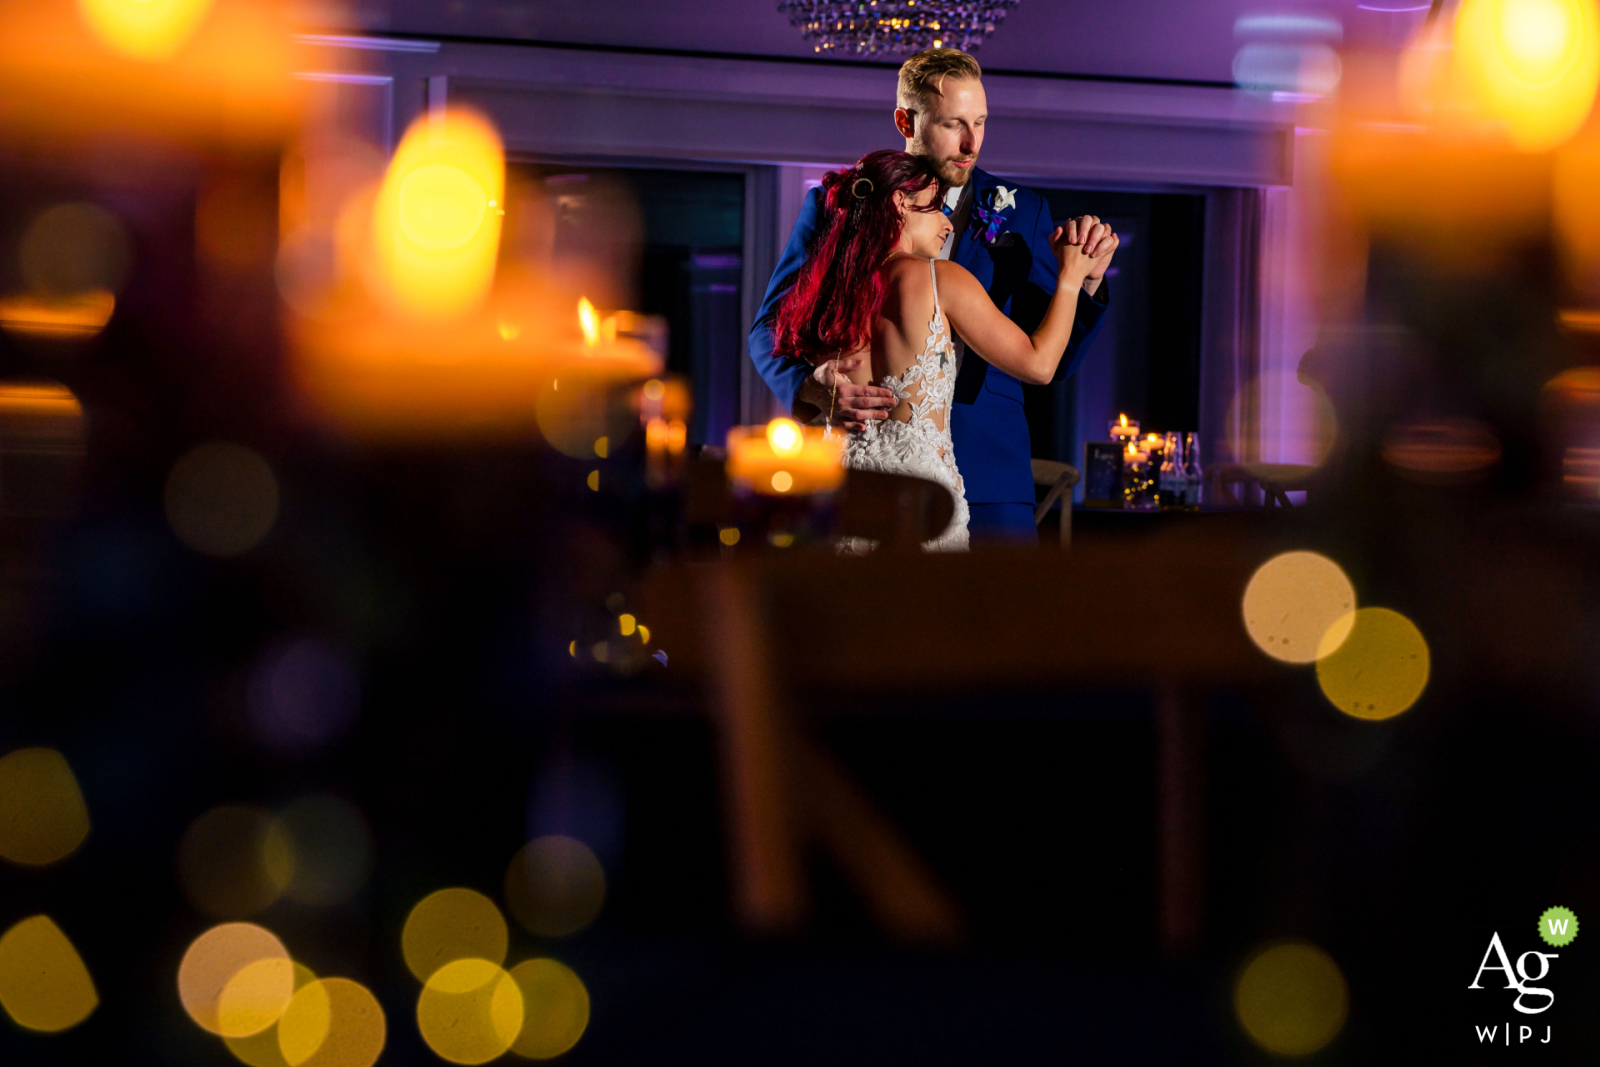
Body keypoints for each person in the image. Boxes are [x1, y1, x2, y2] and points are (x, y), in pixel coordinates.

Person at [749, 47, 1119, 542]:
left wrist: (1086, 281)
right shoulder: (839, 204)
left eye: (981, 123)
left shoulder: (1023, 211)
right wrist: (813, 388)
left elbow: (1051, 358)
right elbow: (770, 328)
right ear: (906, 120)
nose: (971, 144)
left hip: (991, 478)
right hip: (868, 471)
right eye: (953, 125)